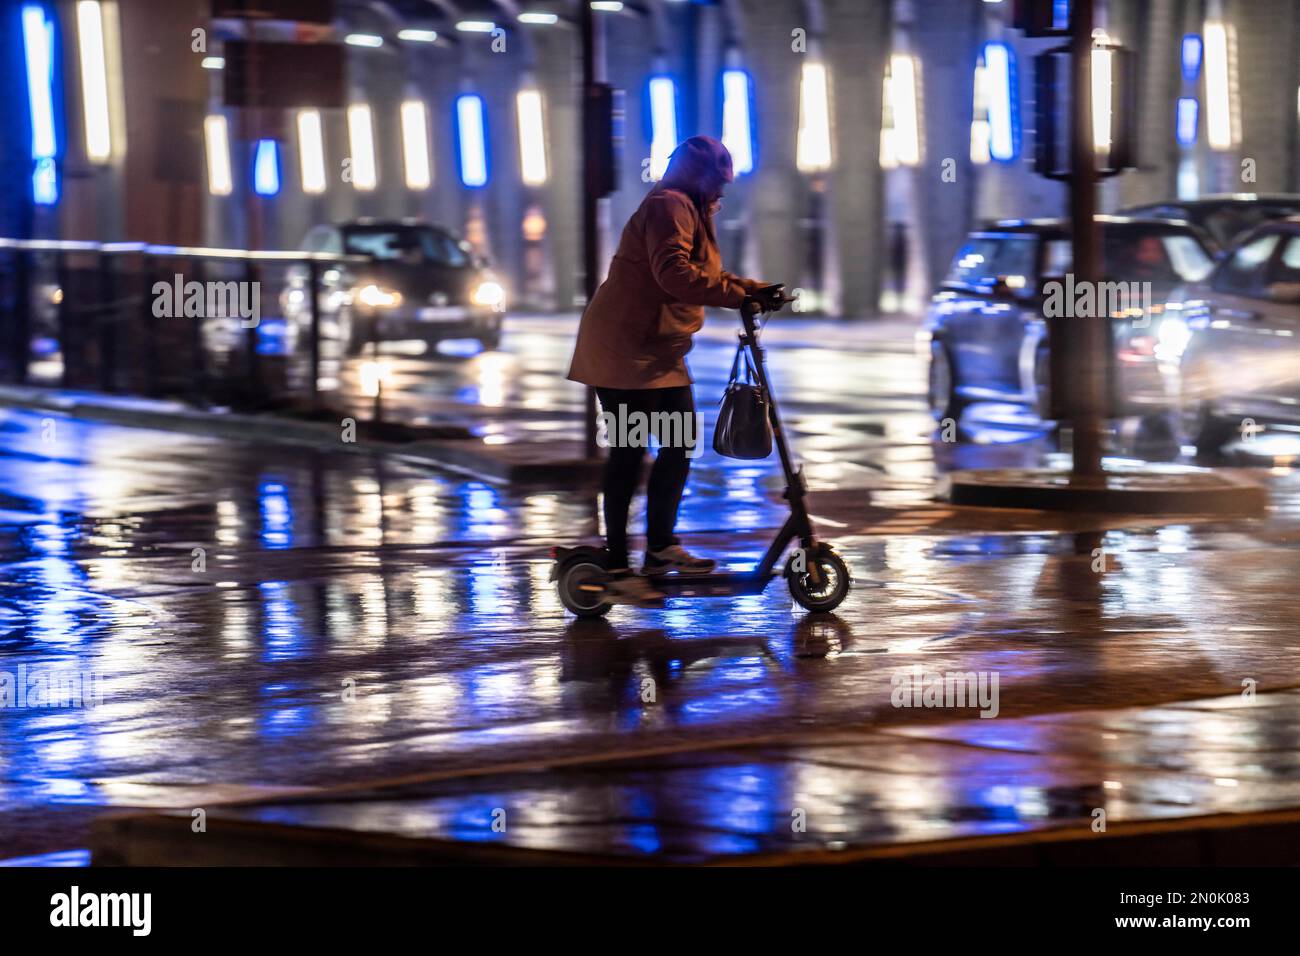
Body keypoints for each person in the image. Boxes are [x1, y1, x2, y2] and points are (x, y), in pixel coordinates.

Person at [567, 135, 782, 605]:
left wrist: (753, 288)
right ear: (697, 174)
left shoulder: (694, 207)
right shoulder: (670, 205)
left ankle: (661, 548)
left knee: (679, 443)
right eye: (718, 180)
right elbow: (674, 275)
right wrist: (737, 295)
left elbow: (700, 273)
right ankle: (620, 566)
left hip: (660, 348)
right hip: (625, 349)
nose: (723, 191)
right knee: (628, 453)